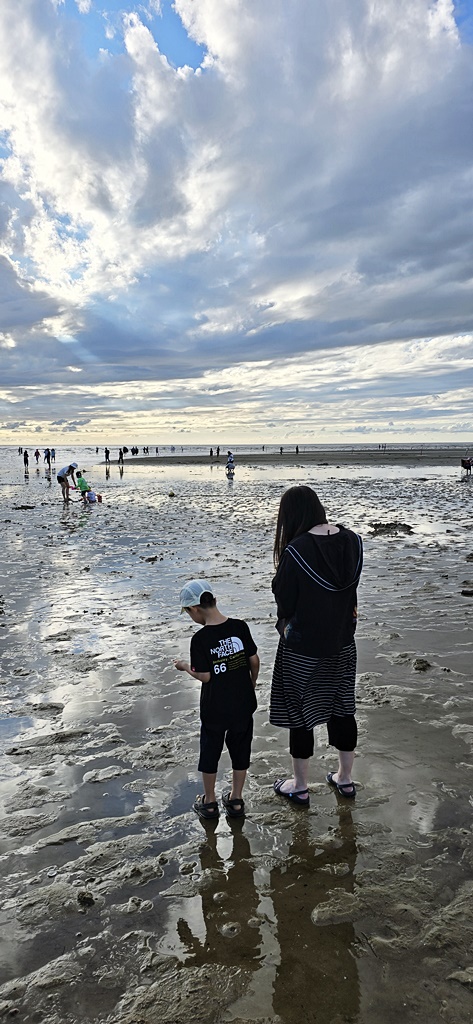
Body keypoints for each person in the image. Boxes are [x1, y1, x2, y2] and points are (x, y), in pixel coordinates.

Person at [270, 485, 363, 805]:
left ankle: (299, 785)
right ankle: (345, 779)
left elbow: (284, 601)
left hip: (302, 648)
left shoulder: (295, 550)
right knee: (343, 707)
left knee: (299, 713)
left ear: (291, 516)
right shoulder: (353, 540)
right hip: (343, 640)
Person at [174, 579, 259, 821]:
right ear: (215, 601)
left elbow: (205, 675)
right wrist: (251, 684)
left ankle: (210, 802)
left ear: (194, 609)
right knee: (241, 749)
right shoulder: (240, 627)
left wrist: (184, 666)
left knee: (210, 750)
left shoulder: (200, 639)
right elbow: (254, 661)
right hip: (243, 703)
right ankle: (236, 800)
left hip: (215, 707)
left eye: (188, 613)